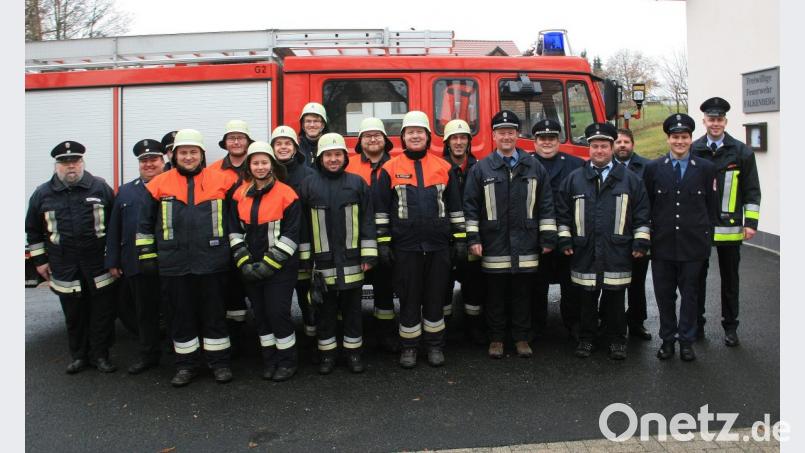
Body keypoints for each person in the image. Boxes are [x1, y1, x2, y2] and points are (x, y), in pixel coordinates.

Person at [137, 129, 234, 387]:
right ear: (174, 155)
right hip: (173, 264)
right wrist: (147, 255)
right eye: (183, 152)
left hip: (212, 261)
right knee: (180, 317)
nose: (188, 157)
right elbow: (144, 223)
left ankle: (219, 363)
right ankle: (186, 366)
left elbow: (233, 221)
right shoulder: (158, 184)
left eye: (193, 152)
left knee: (214, 314)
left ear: (201, 154)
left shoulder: (221, 181)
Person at [373, 111, 465, 368]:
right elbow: (381, 212)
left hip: (438, 247)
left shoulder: (445, 167)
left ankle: (435, 346)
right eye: (410, 132)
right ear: (403, 137)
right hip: (406, 248)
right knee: (409, 299)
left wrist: (459, 240)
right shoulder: (389, 169)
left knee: (435, 299)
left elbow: (456, 209)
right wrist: (383, 243)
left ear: (428, 137)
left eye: (420, 132)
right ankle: (410, 348)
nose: (415, 136)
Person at [464, 111, 556, 359]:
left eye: (511, 132)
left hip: (526, 243)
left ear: (518, 135)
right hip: (494, 244)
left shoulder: (534, 166)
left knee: (522, 295)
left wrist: (547, 238)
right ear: (494, 136)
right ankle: (496, 339)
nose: (506, 136)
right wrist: (473, 239)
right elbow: (470, 206)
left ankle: (521, 338)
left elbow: (546, 204)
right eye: (501, 132)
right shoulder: (481, 168)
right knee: (494, 295)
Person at [556, 122, 651, 360]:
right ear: (589, 148)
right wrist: (565, 240)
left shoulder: (630, 180)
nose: (599, 151)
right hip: (584, 249)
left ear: (611, 148)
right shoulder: (574, 179)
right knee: (586, 299)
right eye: (595, 146)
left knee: (615, 299)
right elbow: (563, 213)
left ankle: (617, 340)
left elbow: (641, 214)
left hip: (617, 250)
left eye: (604, 146)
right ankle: (587, 340)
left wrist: (640, 243)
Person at [26, 141, 118, 374]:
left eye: (75, 162)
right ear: (57, 166)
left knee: (102, 315)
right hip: (64, 265)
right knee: (74, 315)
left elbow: (116, 225)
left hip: (98, 265)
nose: (71, 167)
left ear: (82, 163)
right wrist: (40, 261)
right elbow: (34, 230)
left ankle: (101, 356)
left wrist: (114, 258)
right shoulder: (42, 194)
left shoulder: (99, 188)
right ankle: (79, 357)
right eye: (65, 163)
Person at [299, 133, 377, 374]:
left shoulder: (357, 183)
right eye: (328, 155)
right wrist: (305, 260)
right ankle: (327, 356)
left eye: (337, 155)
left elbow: (367, 220)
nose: (333, 159)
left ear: (345, 157)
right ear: (320, 158)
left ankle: (354, 355)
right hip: (322, 263)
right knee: (325, 312)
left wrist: (368, 255)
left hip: (353, 261)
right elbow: (302, 226)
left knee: (353, 311)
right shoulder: (308, 185)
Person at [644, 113, 718, 361]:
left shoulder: (706, 169)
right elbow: (648, 205)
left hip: (693, 246)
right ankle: (667, 340)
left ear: (690, 139)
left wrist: (706, 239)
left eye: (684, 137)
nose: (680, 141)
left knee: (690, 296)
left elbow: (712, 206)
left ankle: (687, 341)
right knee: (664, 296)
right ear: (668, 139)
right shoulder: (653, 168)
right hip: (663, 245)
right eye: (675, 137)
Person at [691, 97, 761, 347]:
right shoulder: (693, 149)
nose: (715, 123)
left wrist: (750, 222)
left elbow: (752, 190)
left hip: (730, 228)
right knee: (696, 278)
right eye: (711, 119)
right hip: (700, 227)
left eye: (719, 119)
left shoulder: (741, 152)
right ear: (704, 121)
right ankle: (696, 326)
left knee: (730, 281)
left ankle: (730, 327)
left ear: (725, 121)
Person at [229, 141, 300, 382]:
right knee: (261, 315)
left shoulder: (287, 195)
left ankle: (287, 361)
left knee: (277, 313)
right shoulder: (239, 194)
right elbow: (234, 232)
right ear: (249, 166)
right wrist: (245, 263)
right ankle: (270, 360)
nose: (260, 167)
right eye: (255, 162)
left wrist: (268, 265)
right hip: (250, 268)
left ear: (272, 165)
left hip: (279, 269)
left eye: (264, 162)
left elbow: (291, 236)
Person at [105, 139, 166, 374]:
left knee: (176, 311)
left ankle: (178, 355)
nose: (149, 164)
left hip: (169, 263)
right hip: (136, 263)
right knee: (144, 313)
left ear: (163, 161)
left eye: (153, 159)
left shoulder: (174, 184)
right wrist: (112, 260)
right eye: (144, 161)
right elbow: (115, 227)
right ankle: (148, 355)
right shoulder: (126, 191)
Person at [345, 117, 399, 352]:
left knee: (385, 289)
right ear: (360, 141)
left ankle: (385, 335)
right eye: (367, 136)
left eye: (377, 135)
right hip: (356, 239)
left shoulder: (396, 164)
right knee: (353, 290)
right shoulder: (349, 165)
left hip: (389, 240)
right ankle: (356, 335)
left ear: (385, 140)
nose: (373, 139)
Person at [529, 119, 584, 341]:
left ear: (558, 140)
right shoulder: (526, 164)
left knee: (571, 285)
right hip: (536, 237)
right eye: (542, 138)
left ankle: (574, 324)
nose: (547, 142)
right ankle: (536, 326)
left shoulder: (576, 165)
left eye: (551, 138)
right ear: (535, 141)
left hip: (567, 235)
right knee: (536, 285)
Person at [270, 125, 318, 349]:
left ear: (295, 147)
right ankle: (286, 343)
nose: (283, 147)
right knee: (279, 301)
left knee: (307, 297)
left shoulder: (308, 174)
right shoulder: (267, 174)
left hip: (303, 245)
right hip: (274, 247)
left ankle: (312, 339)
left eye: (287, 143)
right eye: (278, 144)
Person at [209, 120, 254, 352]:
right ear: (225, 143)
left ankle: (259, 340)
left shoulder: (259, 165)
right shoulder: (213, 170)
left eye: (240, 137)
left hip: (255, 239)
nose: (236, 141)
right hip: (224, 240)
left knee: (257, 289)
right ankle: (235, 340)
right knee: (230, 292)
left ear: (248, 141)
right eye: (231, 138)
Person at [441, 119, 486, 345]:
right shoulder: (439, 168)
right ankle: (445, 328)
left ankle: (473, 327)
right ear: (447, 142)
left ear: (469, 141)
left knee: (474, 284)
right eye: (454, 138)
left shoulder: (479, 168)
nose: (459, 142)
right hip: (447, 239)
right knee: (443, 285)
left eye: (463, 138)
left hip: (473, 236)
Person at [611, 128, 652, 341]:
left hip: (636, 233)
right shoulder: (604, 168)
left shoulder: (647, 167)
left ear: (633, 144)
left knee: (637, 283)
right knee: (610, 284)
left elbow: (649, 203)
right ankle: (608, 321)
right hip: (612, 237)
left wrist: (643, 237)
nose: (622, 145)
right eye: (618, 141)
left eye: (626, 141)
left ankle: (637, 322)